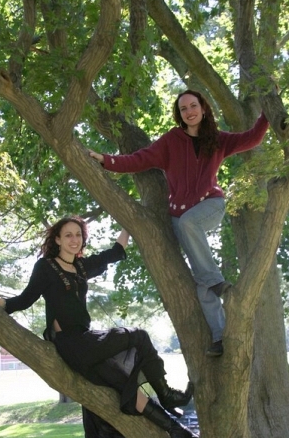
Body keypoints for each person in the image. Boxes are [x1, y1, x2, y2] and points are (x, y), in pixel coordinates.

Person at [0, 215, 199, 438]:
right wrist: (1, 303)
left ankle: (178, 433)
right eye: (68, 235)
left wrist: (128, 224)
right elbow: (24, 300)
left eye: (78, 235)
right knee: (139, 335)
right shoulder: (46, 267)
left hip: (89, 342)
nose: (74, 240)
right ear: (57, 240)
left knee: (125, 388)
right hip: (72, 344)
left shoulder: (81, 267)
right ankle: (167, 395)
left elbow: (115, 253)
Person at [89, 90, 270, 357]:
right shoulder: (171, 141)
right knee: (200, 278)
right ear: (179, 114)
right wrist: (107, 160)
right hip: (181, 216)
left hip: (210, 206)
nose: (189, 111)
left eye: (193, 106)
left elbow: (252, 138)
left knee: (189, 226)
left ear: (203, 109)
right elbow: (139, 159)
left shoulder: (217, 139)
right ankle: (220, 336)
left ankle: (215, 280)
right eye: (183, 108)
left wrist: (267, 112)